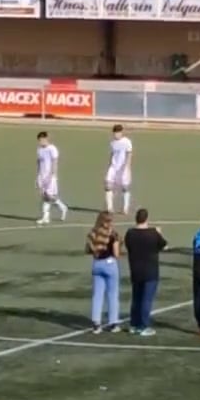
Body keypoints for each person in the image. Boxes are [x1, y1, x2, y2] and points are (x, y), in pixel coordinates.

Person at [124, 208, 166, 336]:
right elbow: (163, 245)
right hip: (150, 270)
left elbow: (128, 246)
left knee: (136, 298)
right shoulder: (153, 233)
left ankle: (134, 324)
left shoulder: (130, 233)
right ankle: (143, 325)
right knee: (146, 299)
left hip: (135, 269)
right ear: (146, 219)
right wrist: (159, 233)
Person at [85, 211, 122, 333]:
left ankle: (96, 323)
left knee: (97, 295)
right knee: (112, 294)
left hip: (97, 264)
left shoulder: (92, 233)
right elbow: (116, 254)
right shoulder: (113, 234)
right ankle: (113, 323)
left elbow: (88, 249)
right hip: (110, 264)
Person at [36, 131, 69, 225]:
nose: (40, 142)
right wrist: (38, 175)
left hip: (50, 176)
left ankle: (61, 208)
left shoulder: (52, 149)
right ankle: (47, 217)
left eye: (42, 140)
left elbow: (55, 162)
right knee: (44, 197)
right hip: (42, 176)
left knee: (49, 196)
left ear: (46, 139)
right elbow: (39, 162)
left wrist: (52, 175)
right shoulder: (39, 150)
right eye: (39, 140)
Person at [104, 124, 133, 214]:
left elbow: (129, 154)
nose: (116, 135)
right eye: (115, 133)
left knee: (125, 187)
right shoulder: (112, 143)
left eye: (118, 133)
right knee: (108, 186)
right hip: (113, 167)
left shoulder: (127, 142)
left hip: (123, 167)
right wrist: (109, 165)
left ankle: (125, 208)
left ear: (121, 133)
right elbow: (112, 154)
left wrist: (127, 167)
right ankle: (109, 208)